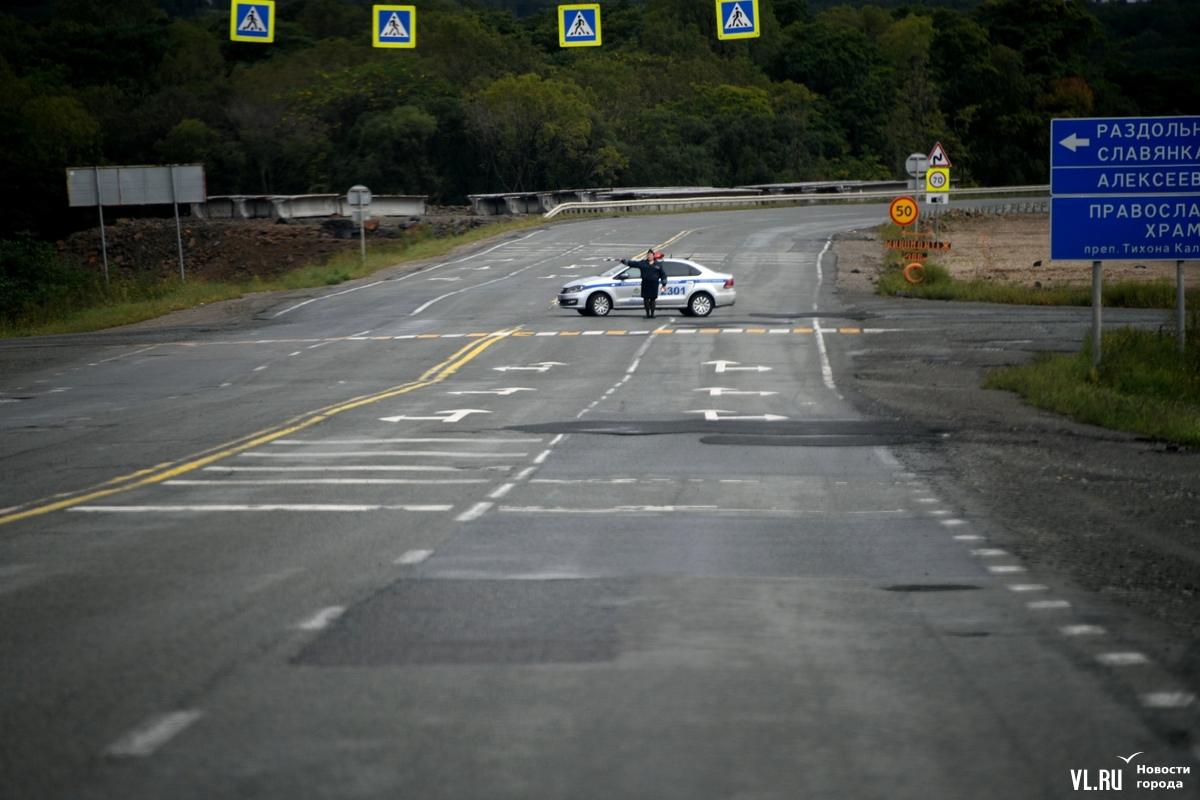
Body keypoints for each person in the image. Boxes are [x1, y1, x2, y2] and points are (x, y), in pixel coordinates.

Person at [619, 250, 669, 318]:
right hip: (645, 283)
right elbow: (633, 263)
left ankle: (652, 314)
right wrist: (623, 261)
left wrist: (664, 284)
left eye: (650, 255)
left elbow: (663, 274)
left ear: (653, 256)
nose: (649, 256)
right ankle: (647, 314)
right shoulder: (643, 263)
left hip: (654, 284)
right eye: (648, 255)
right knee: (646, 298)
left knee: (653, 299)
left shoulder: (658, 264)